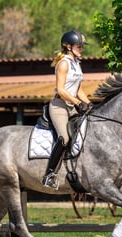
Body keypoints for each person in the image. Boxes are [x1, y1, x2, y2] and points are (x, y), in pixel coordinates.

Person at [42, 30, 92, 189]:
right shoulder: (63, 63)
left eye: (82, 46)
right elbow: (61, 90)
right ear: (68, 46)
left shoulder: (77, 64)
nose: (82, 49)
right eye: (79, 46)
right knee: (64, 137)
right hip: (60, 106)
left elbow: (78, 90)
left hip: (73, 104)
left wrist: (90, 105)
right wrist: (77, 103)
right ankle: (49, 174)